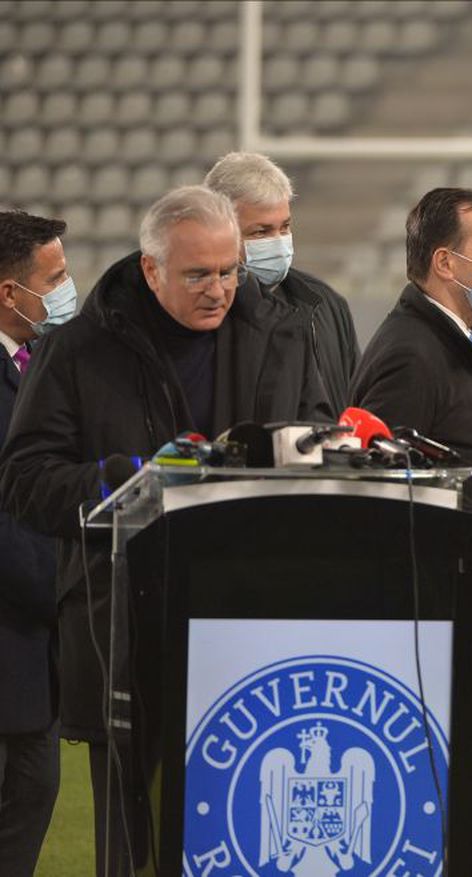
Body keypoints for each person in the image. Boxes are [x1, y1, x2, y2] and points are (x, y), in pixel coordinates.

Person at [0, 186, 331, 877]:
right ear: (151, 270)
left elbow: (319, 443)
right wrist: (126, 479)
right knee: (135, 849)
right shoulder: (81, 347)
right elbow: (25, 479)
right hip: (124, 633)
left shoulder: (286, 334)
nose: (220, 290)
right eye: (198, 274)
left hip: (255, 631)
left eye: (230, 270)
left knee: (247, 837)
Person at [349, 187, 472, 877]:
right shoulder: (410, 351)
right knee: (451, 831)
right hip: (440, 641)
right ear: (444, 261)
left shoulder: (450, 340)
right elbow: (375, 496)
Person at [0, 209, 72, 876]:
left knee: (30, 807)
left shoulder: (39, 362)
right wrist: (67, 593)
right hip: (18, 634)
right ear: (8, 291)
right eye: (54, 278)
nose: (66, 290)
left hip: (31, 656)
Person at [205, 151, 360, 410]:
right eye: (261, 231)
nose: (278, 240)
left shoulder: (327, 304)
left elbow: (354, 403)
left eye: (285, 227)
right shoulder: (206, 310)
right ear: (219, 231)